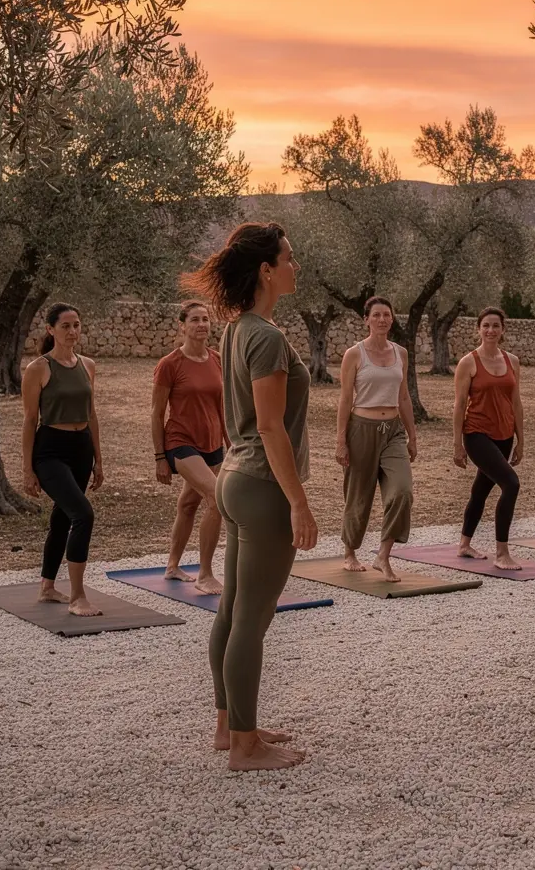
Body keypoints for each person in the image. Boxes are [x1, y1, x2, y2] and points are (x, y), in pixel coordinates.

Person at [181, 221, 318, 772]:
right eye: (288, 257)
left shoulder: (238, 328)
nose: (295, 265)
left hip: (233, 481)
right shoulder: (266, 336)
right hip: (261, 487)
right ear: (266, 269)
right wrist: (299, 503)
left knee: (233, 611)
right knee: (251, 619)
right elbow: (269, 427)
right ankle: (245, 747)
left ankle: (229, 725)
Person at [21, 303, 104, 617]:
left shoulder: (88, 365)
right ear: (50, 329)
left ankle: (47, 587)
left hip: (81, 447)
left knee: (64, 518)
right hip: (50, 450)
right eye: (66, 326)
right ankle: (78, 597)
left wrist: (99, 459)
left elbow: (92, 414)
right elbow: (30, 421)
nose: (72, 331)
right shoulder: (39, 368)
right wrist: (27, 469)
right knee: (83, 514)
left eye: (77, 325)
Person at [335, 296, 417, 583]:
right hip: (362, 428)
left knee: (402, 491)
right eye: (377, 315)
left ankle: (383, 555)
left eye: (387, 315)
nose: (382, 319)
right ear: (366, 319)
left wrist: (412, 435)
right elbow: (346, 399)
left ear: (392, 319)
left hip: (393, 430)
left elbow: (404, 396)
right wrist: (341, 440)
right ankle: (350, 553)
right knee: (358, 495)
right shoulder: (354, 354)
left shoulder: (401, 353)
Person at [152, 301, 228, 594]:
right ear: (182, 325)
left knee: (188, 504)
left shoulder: (217, 359)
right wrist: (160, 457)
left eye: (206, 319)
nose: (201, 325)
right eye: (194, 320)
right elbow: (157, 412)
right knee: (217, 498)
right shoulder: (170, 364)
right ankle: (205, 574)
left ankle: (172, 566)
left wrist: (232, 445)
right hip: (180, 442)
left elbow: (222, 408)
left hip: (212, 445)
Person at [452, 307, 524, 570]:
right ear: (478, 329)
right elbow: (459, 406)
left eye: (496, 325)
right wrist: (458, 445)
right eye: (486, 326)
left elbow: (516, 403)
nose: (491, 330)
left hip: (504, 434)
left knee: (481, 490)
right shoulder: (468, 362)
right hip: (476, 433)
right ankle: (502, 553)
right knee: (511, 484)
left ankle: (464, 544)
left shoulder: (512, 361)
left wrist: (521, 439)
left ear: (503, 329)